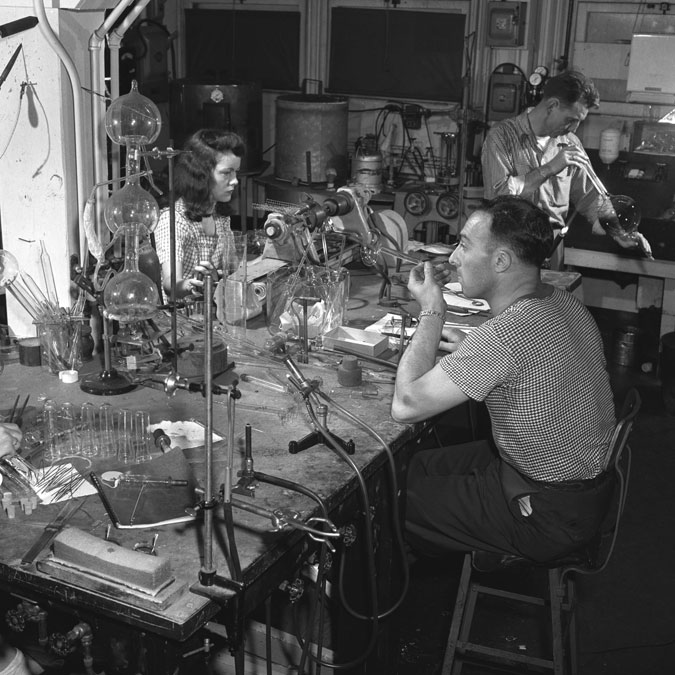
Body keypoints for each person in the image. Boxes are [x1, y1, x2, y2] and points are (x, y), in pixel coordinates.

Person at [392, 196, 617, 563]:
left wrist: (432, 309)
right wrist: (475, 352)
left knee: (386, 497)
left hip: (548, 513)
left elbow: (405, 406)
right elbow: (532, 358)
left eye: (463, 245)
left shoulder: (506, 336)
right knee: (407, 468)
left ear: (500, 262)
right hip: (584, 491)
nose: (452, 258)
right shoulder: (562, 303)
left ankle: (384, 589)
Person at [481, 70, 651, 268]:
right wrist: (550, 168)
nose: (574, 129)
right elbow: (497, 196)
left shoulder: (570, 143)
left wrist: (619, 233)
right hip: (509, 248)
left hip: (551, 249)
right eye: (570, 120)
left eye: (580, 122)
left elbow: (591, 198)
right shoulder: (501, 137)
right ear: (552, 105)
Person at [154, 129, 245, 301]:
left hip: (215, 308)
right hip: (183, 318)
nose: (235, 180)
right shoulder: (173, 221)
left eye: (236, 172)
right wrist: (191, 284)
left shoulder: (220, 216)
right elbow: (170, 285)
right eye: (227, 172)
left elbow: (234, 270)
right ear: (201, 175)